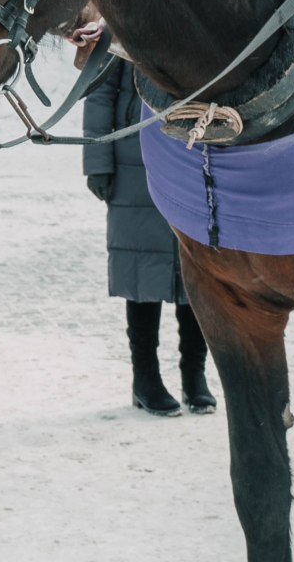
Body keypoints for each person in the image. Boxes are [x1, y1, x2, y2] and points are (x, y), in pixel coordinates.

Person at [76, 26, 214, 417]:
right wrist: (97, 161)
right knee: (141, 269)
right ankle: (146, 378)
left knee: (196, 268)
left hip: (189, 150)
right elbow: (99, 88)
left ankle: (195, 374)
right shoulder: (125, 14)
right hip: (132, 154)